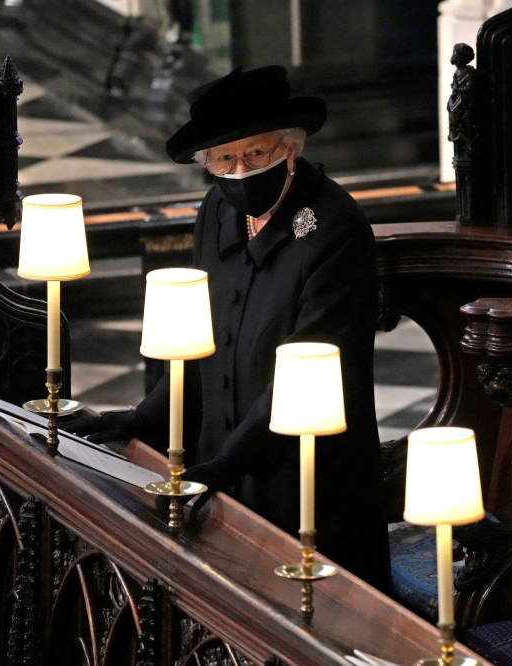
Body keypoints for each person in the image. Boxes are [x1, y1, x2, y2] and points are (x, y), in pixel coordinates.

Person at [71, 65, 392, 592]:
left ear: (290, 149)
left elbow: (307, 371)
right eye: (223, 158)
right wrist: (142, 418)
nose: (239, 170)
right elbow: (202, 343)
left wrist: (224, 466)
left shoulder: (334, 228)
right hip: (219, 463)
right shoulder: (217, 210)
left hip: (304, 477)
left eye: (256, 154)